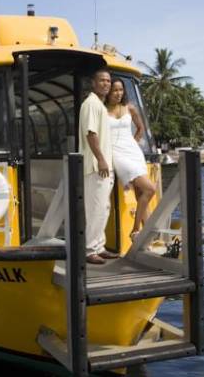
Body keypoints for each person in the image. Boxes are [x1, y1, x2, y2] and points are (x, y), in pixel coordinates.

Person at [105, 78, 156, 241]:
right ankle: (135, 230)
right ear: (109, 92)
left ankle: (146, 235)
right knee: (150, 189)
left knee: (141, 192)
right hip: (118, 154)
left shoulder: (130, 107)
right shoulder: (103, 110)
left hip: (133, 152)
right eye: (115, 90)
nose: (118, 93)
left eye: (121, 90)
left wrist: (133, 142)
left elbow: (141, 128)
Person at [78, 68, 119, 264]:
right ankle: (89, 250)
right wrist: (101, 159)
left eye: (108, 81)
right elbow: (90, 133)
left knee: (104, 208)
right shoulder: (91, 104)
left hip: (104, 167)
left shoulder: (100, 106)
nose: (106, 84)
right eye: (102, 80)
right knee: (95, 209)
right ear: (93, 83)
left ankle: (99, 246)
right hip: (96, 167)